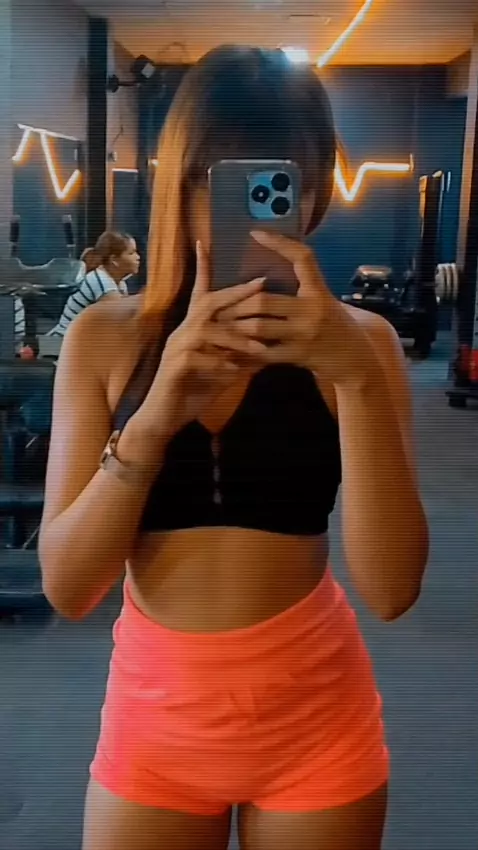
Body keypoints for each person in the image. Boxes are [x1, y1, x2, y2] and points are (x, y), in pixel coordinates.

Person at [39, 45, 429, 850]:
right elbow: (69, 587)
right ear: (181, 183)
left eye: (281, 185)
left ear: (314, 192)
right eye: (220, 183)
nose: (253, 217)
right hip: (154, 728)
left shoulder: (365, 346)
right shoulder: (106, 339)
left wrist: (356, 380)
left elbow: (392, 590)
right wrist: (154, 418)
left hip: (317, 722)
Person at [48, 231, 139, 337]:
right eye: (131, 253)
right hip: (63, 341)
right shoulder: (101, 281)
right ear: (114, 260)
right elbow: (123, 322)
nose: (138, 257)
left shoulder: (120, 283)